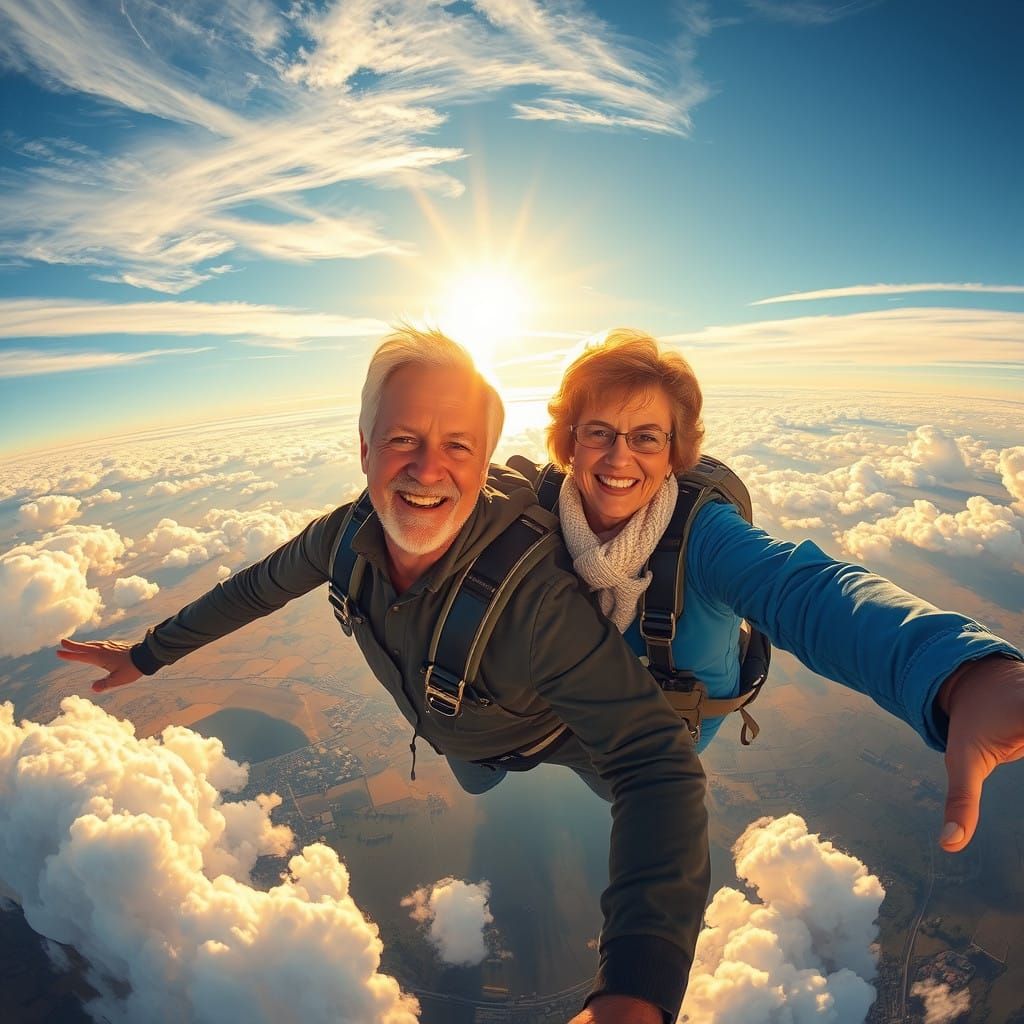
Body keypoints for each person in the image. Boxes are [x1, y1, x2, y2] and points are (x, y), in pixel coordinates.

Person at [58, 326, 708, 1024]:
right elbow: (256, 588)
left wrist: (635, 995)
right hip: (472, 749)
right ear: (364, 449)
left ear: (484, 460)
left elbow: (656, 767)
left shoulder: (535, 602)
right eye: (403, 440)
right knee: (476, 771)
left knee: (639, 782)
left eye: (457, 445)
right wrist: (148, 653)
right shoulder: (342, 537)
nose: (428, 470)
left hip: (559, 733)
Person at [507, 328, 1024, 857]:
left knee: (620, 786)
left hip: (661, 730)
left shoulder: (704, 537)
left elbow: (808, 593)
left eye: (645, 437)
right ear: (569, 442)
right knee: (477, 758)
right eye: (599, 433)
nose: (619, 457)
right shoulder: (535, 511)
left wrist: (963, 673)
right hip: (565, 706)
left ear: (673, 453)